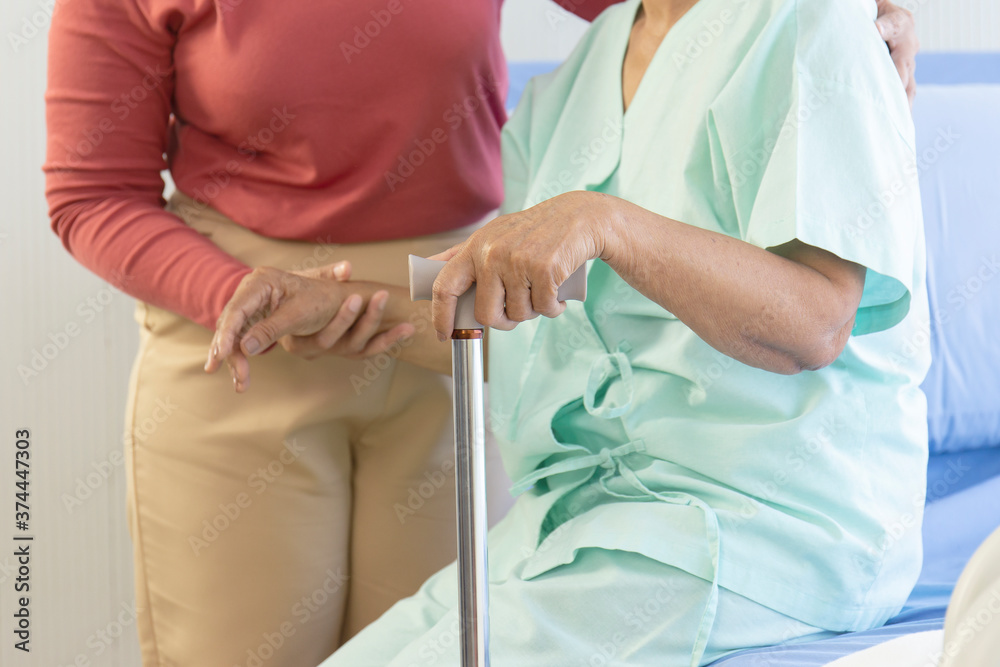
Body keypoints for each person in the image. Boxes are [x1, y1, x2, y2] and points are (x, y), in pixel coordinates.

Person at [44, 1, 917, 667]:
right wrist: (298, 304)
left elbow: (817, 320)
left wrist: (607, 222)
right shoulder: (578, 86)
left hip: (758, 526)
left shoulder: (803, 28)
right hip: (574, 510)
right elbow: (518, 311)